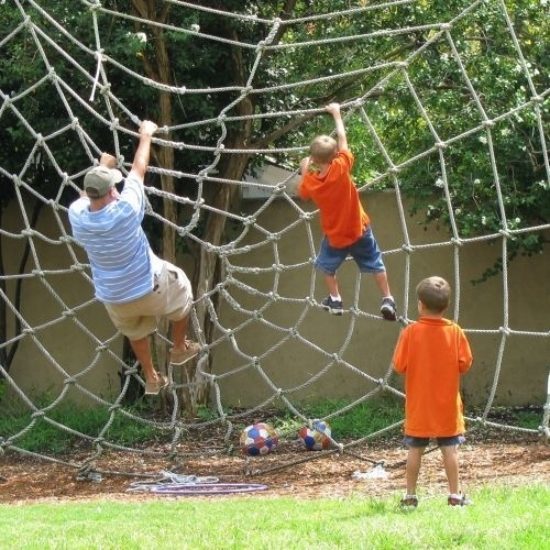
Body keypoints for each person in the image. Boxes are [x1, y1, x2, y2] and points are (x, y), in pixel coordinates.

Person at [68, 120, 199, 395]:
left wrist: (103, 168)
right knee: (183, 288)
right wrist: (146, 135)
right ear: (112, 191)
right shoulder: (125, 209)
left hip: (114, 298)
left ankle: (152, 377)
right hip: (149, 287)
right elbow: (139, 169)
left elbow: (86, 197)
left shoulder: (77, 216)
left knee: (136, 331)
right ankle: (178, 348)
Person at [298, 102, 396, 320]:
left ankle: (335, 299)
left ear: (314, 159)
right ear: (334, 157)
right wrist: (336, 114)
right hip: (359, 229)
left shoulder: (311, 183)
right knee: (376, 264)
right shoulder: (342, 167)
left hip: (336, 237)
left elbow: (303, 191)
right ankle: (387, 298)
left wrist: (305, 166)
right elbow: (343, 140)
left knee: (325, 267)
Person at [392, 276, 473, 507]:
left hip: (419, 406)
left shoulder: (410, 332)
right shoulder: (455, 331)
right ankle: (455, 495)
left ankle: (410, 496)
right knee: (450, 450)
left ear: (420, 304)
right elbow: (465, 364)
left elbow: (399, 365)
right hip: (446, 406)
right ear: (446, 306)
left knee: (414, 450)